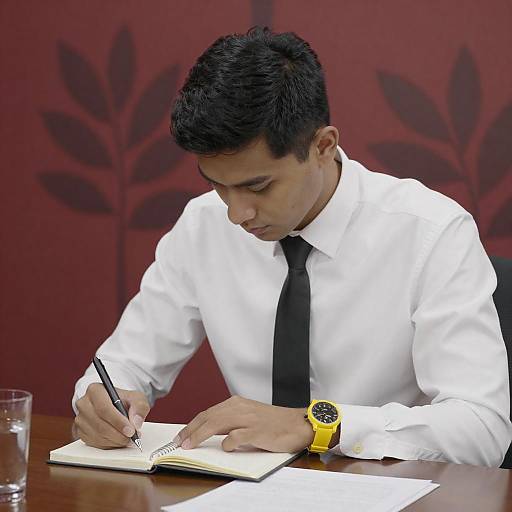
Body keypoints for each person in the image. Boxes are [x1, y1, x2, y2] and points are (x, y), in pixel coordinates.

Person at [72, 26, 511, 466]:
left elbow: (482, 430)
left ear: (322, 146)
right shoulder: (202, 226)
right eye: (218, 186)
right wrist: (99, 405)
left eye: (257, 186)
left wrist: (317, 425)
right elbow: (121, 368)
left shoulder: (433, 233)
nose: (235, 213)